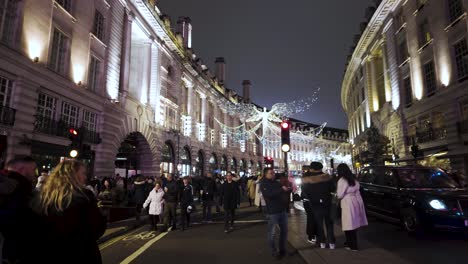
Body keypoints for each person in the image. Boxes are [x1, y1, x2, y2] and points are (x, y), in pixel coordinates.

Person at [33, 159, 106, 263]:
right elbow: (96, 229)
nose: (85, 177)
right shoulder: (83, 198)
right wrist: (102, 216)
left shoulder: (43, 197)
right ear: (72, 175)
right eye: (83, 173)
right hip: (80, 254)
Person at [0, 156, 37, 264]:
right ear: (22, 169)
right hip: (14, 249)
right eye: (33, 169)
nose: (35, 173)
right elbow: (13, 218)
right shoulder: (18, 186)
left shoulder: (9, 183)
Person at [301, 161, 336, 249]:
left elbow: (305, 191)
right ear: (321, 168)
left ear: (312, 169)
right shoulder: (327, 177)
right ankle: (331, 243)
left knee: (319, 224)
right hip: (327, 202)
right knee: (329, 223)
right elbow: (333, 188)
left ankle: (322, 242)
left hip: (315, 203)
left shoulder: (307, 179)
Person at [336, 164, 368, 251]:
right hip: (356, 201)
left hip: (347, 202)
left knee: (348, 224)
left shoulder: (342, 180)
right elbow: (358, 190)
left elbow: (340, 195)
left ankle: (352, 245)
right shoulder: (354, 179)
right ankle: (350, 243)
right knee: (354, 223)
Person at [261, 168, 291, 259]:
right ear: (265, 174)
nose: (273, 174)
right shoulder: (263, 184)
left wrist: (287, 190)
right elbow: (269, 195)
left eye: (273, 173)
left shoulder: (276, 183)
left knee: (284, 231)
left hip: (282, 210)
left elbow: (281, 192)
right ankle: (274, 251)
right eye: (271, 173)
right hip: (272, 212)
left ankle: (282, 249)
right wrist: (281, 190)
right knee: (272, 233)